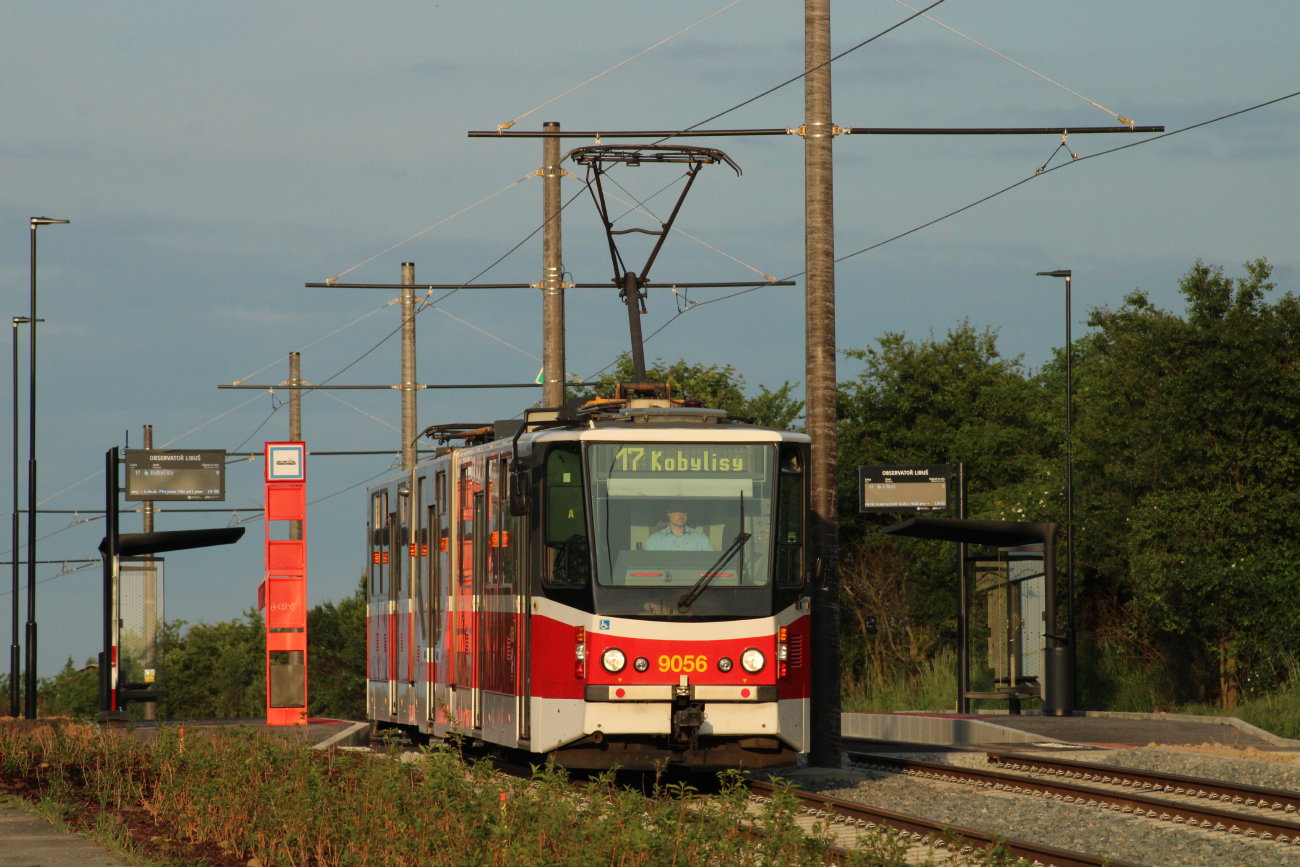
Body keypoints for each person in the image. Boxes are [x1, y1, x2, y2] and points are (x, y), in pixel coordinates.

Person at [644, 504, 713, 550]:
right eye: (678, 512)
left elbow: (712, 559)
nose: (681, 515)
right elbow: (647, 563)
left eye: (684, 512)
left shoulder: (699, 537)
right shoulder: (655, 540)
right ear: (669, 513)